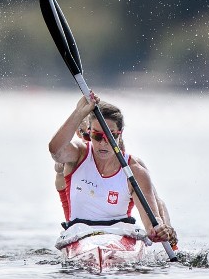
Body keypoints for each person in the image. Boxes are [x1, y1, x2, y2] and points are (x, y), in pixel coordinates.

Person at [49, 91, 178, 249]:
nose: (103, 143)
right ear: (89, 132)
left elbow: (153, 220)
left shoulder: (134, 170)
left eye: (109, 137)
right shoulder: (78, 155)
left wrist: (159, 230)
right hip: (80, 233)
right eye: (96, 136)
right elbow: (55, 150)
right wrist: (78, 112)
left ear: (119, 135)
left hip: (120, 236)